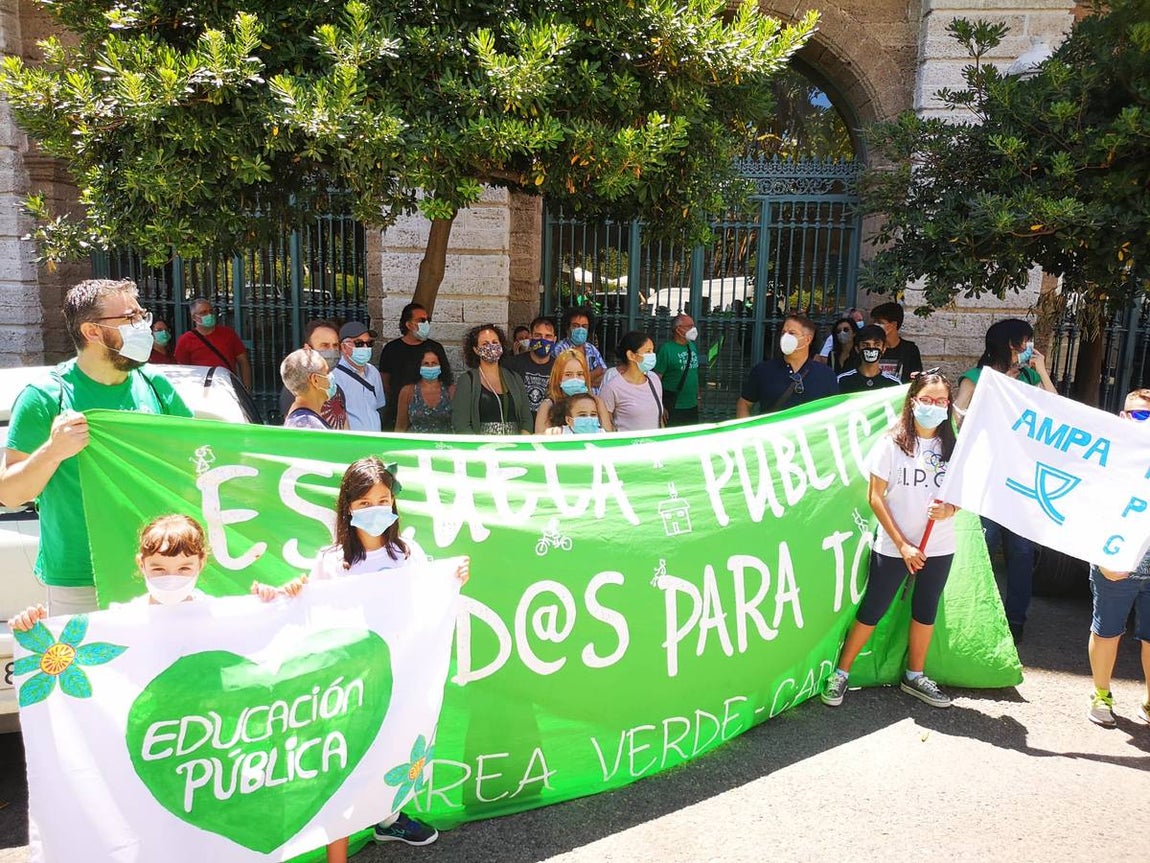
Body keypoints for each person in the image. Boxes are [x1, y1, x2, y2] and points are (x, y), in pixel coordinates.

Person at [290, 457, 466, 861]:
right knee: (348, 764)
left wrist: (452, 578)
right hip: (353, 683)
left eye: (383, 500)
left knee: (397, 746)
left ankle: (389, 819)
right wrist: (293, 592)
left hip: (401, 676)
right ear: (348, 507)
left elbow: (426, 602)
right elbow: (312, 613)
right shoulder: (331, 561)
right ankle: (337, 849)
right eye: (364, 503)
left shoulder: (408, 554)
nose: (375, 510)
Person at [0, 279, 192, 616]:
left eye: (142, 315)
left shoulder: (155, 386)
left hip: (159, 569)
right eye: (130, 318)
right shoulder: (45, 397)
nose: (142, 326)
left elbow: (195, 461)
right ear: (92, 331)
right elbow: (10, 494)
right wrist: (53, 451)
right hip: (80, 577)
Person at [820, 372, 961, 709]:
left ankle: (915, 675)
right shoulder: (891, 444)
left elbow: (962, 493)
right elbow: (876, 497)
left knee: (925, 609)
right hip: (895, 546)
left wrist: (951, 509)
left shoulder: (954, 448)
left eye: (941, 401)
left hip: (939, 545)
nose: (933, 406)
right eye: (926, 400)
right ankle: (841, 672)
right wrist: (903, 545)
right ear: (913, 401)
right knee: (874, 608)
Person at [954, 317, 1057, 641]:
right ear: (1009, 344)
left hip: (1021, 483)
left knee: (1022, 554)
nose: (1028, 348)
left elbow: (1056, 410)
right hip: (985, 481)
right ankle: (971, 616)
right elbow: (956, 418)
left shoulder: (1028, 377)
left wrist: (1041, 371)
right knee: (980, 550)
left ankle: (1015, 621)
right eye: (1024, 342)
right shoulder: (976, 378)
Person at [1086, 389, 1150, 727]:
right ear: (1122, 416)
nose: (1144, 421)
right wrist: (1100, 557)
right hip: (1115, 562)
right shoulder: (1106, 455)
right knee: (1107, 631)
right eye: (1138, 414)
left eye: (1148, 416)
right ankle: (1101, 694)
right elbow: (1085, 506)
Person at [735, 314, 839, 416]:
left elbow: (834, 412)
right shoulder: (763, 371)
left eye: (792, 333)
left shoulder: (826, 374)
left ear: (808, 339)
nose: (785, 337)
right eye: (783, 333)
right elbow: (744, 403)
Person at [377, 303, 452, 431]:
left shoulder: (435, 348)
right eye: (421, 320)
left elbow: (445, 376)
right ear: (409, 324)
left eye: (427, 320)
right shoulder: (392, 349)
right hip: (396, 412)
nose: (426, 323)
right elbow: (384, 382)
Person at [452, 324, 533, 434]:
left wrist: (522, 439)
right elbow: (461, 424)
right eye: (485, 344)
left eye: (495, 342)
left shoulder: (515, 378)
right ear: (476, 350)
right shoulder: (467, 380)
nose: (491, 346)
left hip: (515, 443)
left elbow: (526, 419)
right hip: (480, 444)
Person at [277, 320, 349, 429]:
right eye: (325, 345)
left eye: (335, 345)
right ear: (308, 348)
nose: (332, 351)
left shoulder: (335, 388)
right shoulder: (297, 388)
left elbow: (344, 427)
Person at [174, 297, 253, 391]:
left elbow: (243, 361)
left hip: (227, 387)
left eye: (211, 311)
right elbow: (181, 369)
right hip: (200, 388)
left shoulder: (228, 334)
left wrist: (247, 387)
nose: (209, 315)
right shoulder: (185, 340)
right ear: (194, 317)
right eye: (204, 312)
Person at [533, 349, 614, 434]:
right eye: (568, 374)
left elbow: (607, 436)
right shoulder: (547, 405)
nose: (575, 379)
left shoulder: (597, 402)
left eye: (580, 374)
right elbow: (541, 438)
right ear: (558, 378)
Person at [598, 331, 665, 432]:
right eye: (648, 351)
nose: (652, 355)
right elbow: (606, 424)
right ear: (631, 355)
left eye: (652, 351)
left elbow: (659, 419)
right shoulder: (612, 387)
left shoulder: (654, 380)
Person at [334, 321, 387, 432]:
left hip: (374, 438)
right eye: (359, 343)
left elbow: (378, 406)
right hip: (351, 440)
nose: (365, 347)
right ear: (344, 347)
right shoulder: (334, 376)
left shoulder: (373, 372)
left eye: (369, 343)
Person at [502, 316, 557, 422]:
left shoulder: (559, 368)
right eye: (538, 335)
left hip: (547, 427)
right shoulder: (512, 364)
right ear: (531, 337)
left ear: (554, 340)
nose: (543, 340)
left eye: (548, 336)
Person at [654, 313, 702, 426]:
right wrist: (661, 405)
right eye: (689, 326)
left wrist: (698, 396)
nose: (693, 329)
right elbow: (656, 379)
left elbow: (694, 373)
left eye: (693, 326)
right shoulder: (666, 350)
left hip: (691, 404)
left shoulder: (691, 346)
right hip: (673, 405)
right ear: (678, 329)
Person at [395, 346, 455, 434]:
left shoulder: (451, 390)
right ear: (419, 366)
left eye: (434, 363)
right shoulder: (408, 391)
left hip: (443, 441)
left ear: (441, 366)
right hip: (415, 441)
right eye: (426, 363)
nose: (430, 366)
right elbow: (400, 427)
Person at [280, 347, 337, 430]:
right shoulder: (310, 426)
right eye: (327, 372)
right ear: (315, 380)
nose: (330, 376)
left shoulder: (299, 419)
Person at [552, 307, 607, 391]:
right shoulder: (560, 349)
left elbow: (604, 376)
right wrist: (595, 373)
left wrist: (583, 380)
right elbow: (567, 382)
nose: (581, 329)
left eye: (584, 326)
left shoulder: (591, 348)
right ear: (567, 329)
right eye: (575, 326)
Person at [836, 324, 903, 393]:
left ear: (883, 349)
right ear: (857, 349)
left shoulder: (894, 384)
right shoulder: (841, 381)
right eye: (865, 345)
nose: (871, 348)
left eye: (877, 345)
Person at [869, 301, 922, 383]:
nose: (875, 325)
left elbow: (915, 379)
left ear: (894, 324)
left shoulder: (910, 350)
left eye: (880, 322)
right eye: (874, 322)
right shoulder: (869, 347)